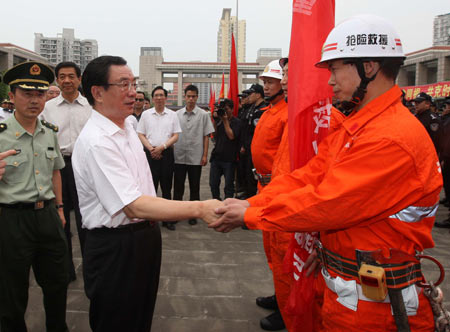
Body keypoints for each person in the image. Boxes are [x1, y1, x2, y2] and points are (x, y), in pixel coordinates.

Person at [211, 15, 441, 332]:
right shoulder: (360, 127)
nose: (329, 81)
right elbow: (309, 176)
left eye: (334, 69)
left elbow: (327, 202)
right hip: (352, 291)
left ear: (369, 67)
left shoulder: (391, 138)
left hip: (377, 310)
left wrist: (252, 214)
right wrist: (254, 203)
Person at [72, 55, 221, 332]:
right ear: (97, 93)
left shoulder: (127, 124)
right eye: (124, 84)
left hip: (144, 237)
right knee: (117, 320)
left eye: (134, 83)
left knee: (140, 315)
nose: (133, 92)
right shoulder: (97, 142)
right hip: (116, 246)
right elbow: (133, 206)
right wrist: (199, 209)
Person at [0, 61, 69, 332]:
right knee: (12, 289)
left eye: (40, 94)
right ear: (12, 95)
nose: (34, 100)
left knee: (58, 282)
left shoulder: (49, 132)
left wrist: (61, 209)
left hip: (48, 216)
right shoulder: (2, 136)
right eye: (27, 93)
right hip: (12, 220)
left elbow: (55, 173)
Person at [41, 61, 92, 281]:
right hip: (57, 167)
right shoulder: (47, 108)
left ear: (79, 79)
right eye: (62, 76)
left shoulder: (91, 105)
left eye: (71, 76)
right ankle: (66, 268)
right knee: (60, 218)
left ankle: (91, 266)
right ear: (57, 80)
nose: (67, 81)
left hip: (85, 168)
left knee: (86, 218)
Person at [249, 59, 289, 331]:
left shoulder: (288, 113)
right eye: (264, 81)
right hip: (265, 187)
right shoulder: (269, 110)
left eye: (270, 82)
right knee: (272, 252)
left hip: (279, 188)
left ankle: (287, 310)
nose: (265, 86)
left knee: (283, 251)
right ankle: (280, 297)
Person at [137, 86, 182, 230]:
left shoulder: (172, 115)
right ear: (152, 98)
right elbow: (140, 134)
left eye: (161, 95)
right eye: (156, 95)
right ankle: (150, 218)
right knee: (150, 187)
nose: (159, 98)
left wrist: (162, 147)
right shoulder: (146, 114)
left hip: (166, 153)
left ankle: (167, 219)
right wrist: (151, 148)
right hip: (150, 154)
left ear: (166, 98)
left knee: (167, 187)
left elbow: (176, 135)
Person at [173, 84, 214, 226]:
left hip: (195, 156)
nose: (191, 99)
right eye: (188, 96)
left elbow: (206, 136)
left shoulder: (203, 115)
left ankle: (193, 215)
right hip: (178, 156)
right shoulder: (176, 115)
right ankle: (175, 214)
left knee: (194, 186)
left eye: (193, 96)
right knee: (178, 186)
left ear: (197, 97)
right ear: (184, 97)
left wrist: (204, 155)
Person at [209, 98, 241, 200]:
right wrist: (215, 120)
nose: (224, 112)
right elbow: (213, 134)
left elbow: (231, 136)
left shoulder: (237, 122)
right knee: (213, 184)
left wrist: (225, 121)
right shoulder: (219, 120)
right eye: (222, 109)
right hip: (216, 157)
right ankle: (216, 201)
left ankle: (228, 205)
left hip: (229, 159)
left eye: (226, 109)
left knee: (229, 186)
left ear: (231, 109)